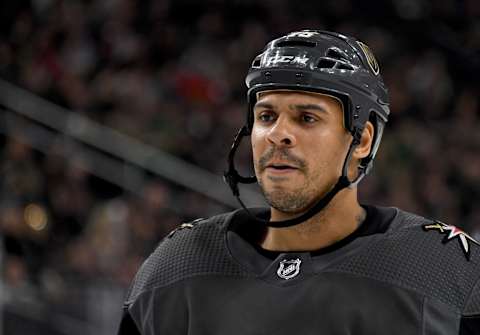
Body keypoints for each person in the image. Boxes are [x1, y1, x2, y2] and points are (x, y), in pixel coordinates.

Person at [117, 30, 480, 334]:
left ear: (362, 140)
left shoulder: (445, 271)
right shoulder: (176, 265)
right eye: (266, 115)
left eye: (306, 118)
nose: (278, 134)